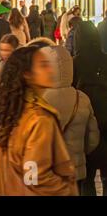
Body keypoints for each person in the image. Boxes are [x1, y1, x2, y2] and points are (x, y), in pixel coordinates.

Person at [0, 46, 78, 196]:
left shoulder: (12, 113)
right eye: (43, 65)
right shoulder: (39, 120)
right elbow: (33, 175)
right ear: (27, 74)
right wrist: (66, 189)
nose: (51, 70)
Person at [40, 46, 100, 192]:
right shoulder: (82, 98)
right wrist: (80, 153)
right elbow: (93, 138)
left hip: (50, 170)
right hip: (76, 169)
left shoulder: (39, 99)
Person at [73, 21, 107, 196]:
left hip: (85, 130)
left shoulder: (75, 63)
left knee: (87, 181)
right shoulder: (105, 59)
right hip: (106, 126)